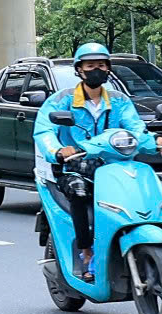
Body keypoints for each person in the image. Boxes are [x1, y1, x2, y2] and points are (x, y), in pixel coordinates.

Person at [37, 41, 151, 279]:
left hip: (114, 167)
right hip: (74, 169)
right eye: (90, 65)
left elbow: (136, 128)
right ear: (79, 70)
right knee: (79, 193)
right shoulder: (61, 100)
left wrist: (155, 142)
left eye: (101, 65)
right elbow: (44, 131)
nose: (96, 70)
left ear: (109, 68)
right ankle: (86, 251)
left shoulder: (119, 101)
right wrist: (58, 150)